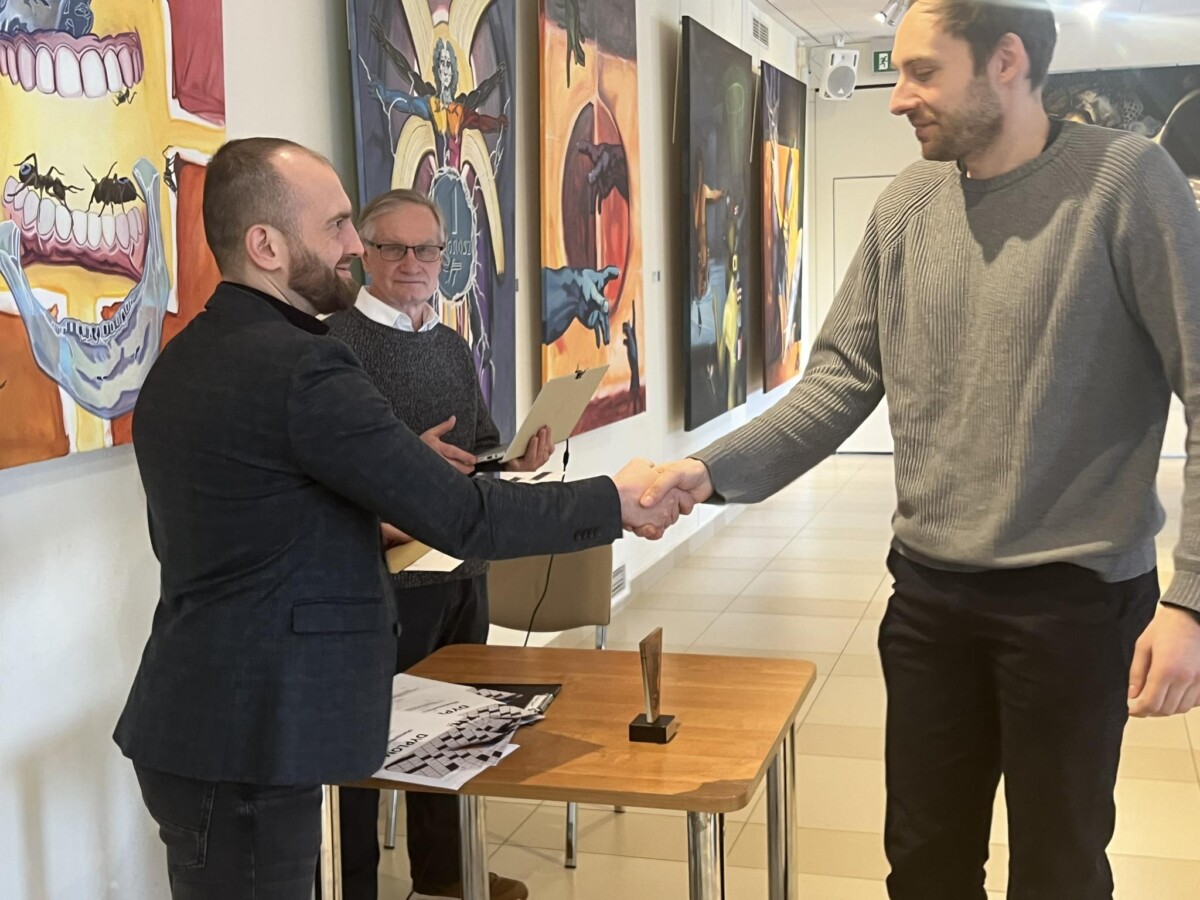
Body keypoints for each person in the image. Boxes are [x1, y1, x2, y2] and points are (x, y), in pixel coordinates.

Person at [643, 2, 1200, 898]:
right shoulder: (908, 203)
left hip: (1077, 605)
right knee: (924, 865)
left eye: (922, 72)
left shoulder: (1126, 182)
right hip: (931, 601)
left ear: (1006, 60)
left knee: (1060, 872)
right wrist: (705, 473)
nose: (897, 96)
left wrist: (1192, 603)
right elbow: (837, 382)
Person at [113, 136, 685, 900]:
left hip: (208, 716)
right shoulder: (304, 367)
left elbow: (242, 528)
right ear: (266, 245)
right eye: (337, 226)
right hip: (251, 735)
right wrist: (614, 500)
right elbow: (462, 516)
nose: (355, 247)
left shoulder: (187, 358)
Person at [325, 188, 549, 900]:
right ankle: (352, 885)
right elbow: (330, 477)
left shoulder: (451, 343)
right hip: (383, 582)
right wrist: (409, 467)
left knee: (452, 733)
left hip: (460, 571)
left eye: (427, 249)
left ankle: (446, 875)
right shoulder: (332, 346)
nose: (413, 262)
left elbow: (476, 447)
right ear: (364, 255)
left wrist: (514, 459)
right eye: (394, 248)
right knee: (364, 744)